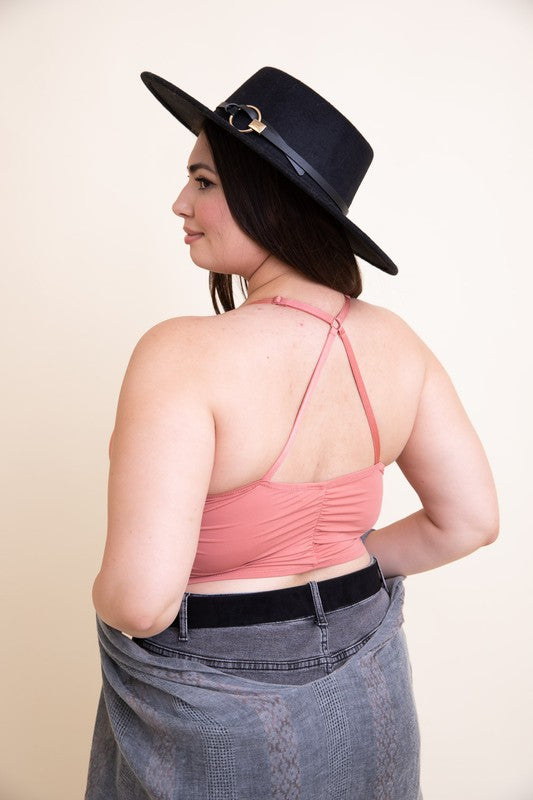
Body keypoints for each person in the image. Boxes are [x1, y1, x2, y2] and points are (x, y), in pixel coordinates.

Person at [85, 67, 499, 800]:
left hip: (217, 707)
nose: (180, 203)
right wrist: (333, 566)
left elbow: (140, 603)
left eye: (204, 181)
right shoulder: (398, 344)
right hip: (372, 688)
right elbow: (468, 521)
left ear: (270, 196)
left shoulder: (181, 354)